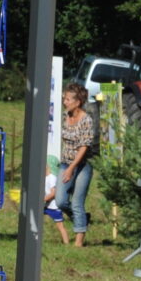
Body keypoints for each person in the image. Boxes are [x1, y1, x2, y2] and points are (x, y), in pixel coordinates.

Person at [59, 81, 98, 247]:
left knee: (77, 202)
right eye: (64, 99)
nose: (65, 102)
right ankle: (81, 218)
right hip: (64, 162)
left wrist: (71, 169)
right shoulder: (64, 116)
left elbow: (84, 146)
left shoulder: (86, 120)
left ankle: (78, 242)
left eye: (68, 99)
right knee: (61, 201)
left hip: (81, 166)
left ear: (78, 102)